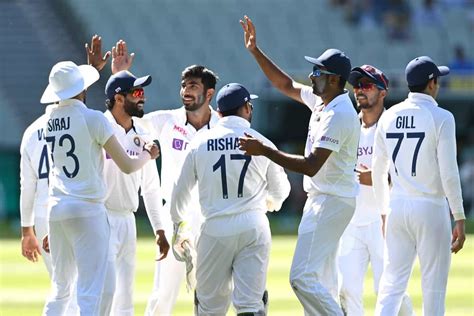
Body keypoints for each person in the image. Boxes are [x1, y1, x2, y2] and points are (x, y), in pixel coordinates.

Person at [239, 16, 360, 315]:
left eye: (317, 71)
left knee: (301, 278)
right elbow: (283, 83)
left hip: (330, 199)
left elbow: (310, 165)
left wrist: (265, 150)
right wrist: (256, 51)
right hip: (327, 197)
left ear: (334, 79)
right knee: (321, 280)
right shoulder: (322, 101)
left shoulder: (339, 114)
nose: (311, 75)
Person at [39, 60, 159, 316]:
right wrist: (149, 156)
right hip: (89, 210)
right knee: (91, 291)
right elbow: (127, 166)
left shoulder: (49, 119)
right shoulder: (94, 119)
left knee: (60, 289)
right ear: (81, 89)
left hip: (57, 207)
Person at [170, 83, 290, 315]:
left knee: (209, 306)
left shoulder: (199, 142)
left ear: (219, 113)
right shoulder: (262, 141)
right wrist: (270, 203)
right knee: (250, 304)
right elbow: (281, 191)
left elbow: (180, 192)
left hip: (214, 228)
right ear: (246, 108)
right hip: (253, 226)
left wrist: (179, 226)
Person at [372, 56, 466, 315]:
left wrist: (383, 211)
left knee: (391, 286)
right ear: (432, 83)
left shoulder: (388, 116)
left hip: (397, 207)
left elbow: (377, 171)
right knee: (433, 288)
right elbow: (449, 172)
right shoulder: (442, 117)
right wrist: (459, 215)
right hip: (431, 207)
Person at [338, 65, 414, 315]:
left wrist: (381, 178)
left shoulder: (395, 126)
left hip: (385, 223)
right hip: (351, 222)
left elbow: (411, 172)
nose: (359, 90)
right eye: (357, 85)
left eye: (367, 85)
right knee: (347, 292)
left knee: (390, 292)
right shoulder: (348, 126)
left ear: (383, 92)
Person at [98, 70, 170, 316]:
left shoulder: (142, 132)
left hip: (127, 219)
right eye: (137, 93)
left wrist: (159, 229)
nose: (143, 98)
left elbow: (150, 186)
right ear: (119, 99)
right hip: (100, 217)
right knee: (102, 293)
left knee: (125, 297)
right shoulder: (100, 125)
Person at [19, 105, 79, 316]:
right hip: (75, 207)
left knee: (62, 284)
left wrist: (27, 230)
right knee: (79, 287)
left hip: (43, 214)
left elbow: (27, 187)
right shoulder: (77, 122)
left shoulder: (31, 132)